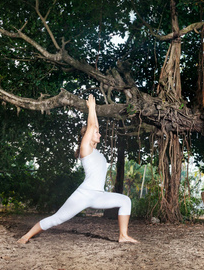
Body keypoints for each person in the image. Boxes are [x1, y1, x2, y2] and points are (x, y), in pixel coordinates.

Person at [17, 94, 138, 244]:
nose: (99, 133)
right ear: (87, 135)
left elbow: (94, 127)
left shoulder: (96, 151)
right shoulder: (84, 149)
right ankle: (26, 236)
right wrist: (91, 109)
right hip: (84, 194)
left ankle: (123, 236)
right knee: (57, 219)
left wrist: (93, 111)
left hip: (98, 195)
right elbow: (92, 127)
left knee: (125, 201)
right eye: (96, 133)